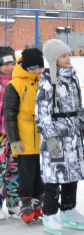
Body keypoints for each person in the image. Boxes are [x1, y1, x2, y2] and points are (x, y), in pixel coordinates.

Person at [35, 39, 84, 235]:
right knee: (54, 176)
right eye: (64, 56)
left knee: (71, 175)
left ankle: (68, 209)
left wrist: (82, 124)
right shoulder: (48, 81)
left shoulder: (73, 77)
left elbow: (79, 105)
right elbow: (42, 113)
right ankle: (49, 214)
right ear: (53, 58)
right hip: (56, 136)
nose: (68, 58)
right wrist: (49, 137)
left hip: (72, 135)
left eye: (68, 55)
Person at [5, 48, 45, 225]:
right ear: (27, 67)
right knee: (26, 173)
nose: (38, 71)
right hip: (23, 137)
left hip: (42, 136)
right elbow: (9, 115)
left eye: (40, 68)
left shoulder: (43, 81)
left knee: (40, 174)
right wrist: (14, 140)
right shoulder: (14, 85)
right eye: (35, 68)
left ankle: (38, 203)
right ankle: (26, 204)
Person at [0, 47, 19, 220]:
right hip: (0, 135)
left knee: (14, 168)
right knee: (0, 170)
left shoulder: (17, 82)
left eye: (13, 63)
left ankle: (14, 204)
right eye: (6, 64)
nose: (10, 67)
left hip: (14, 135)